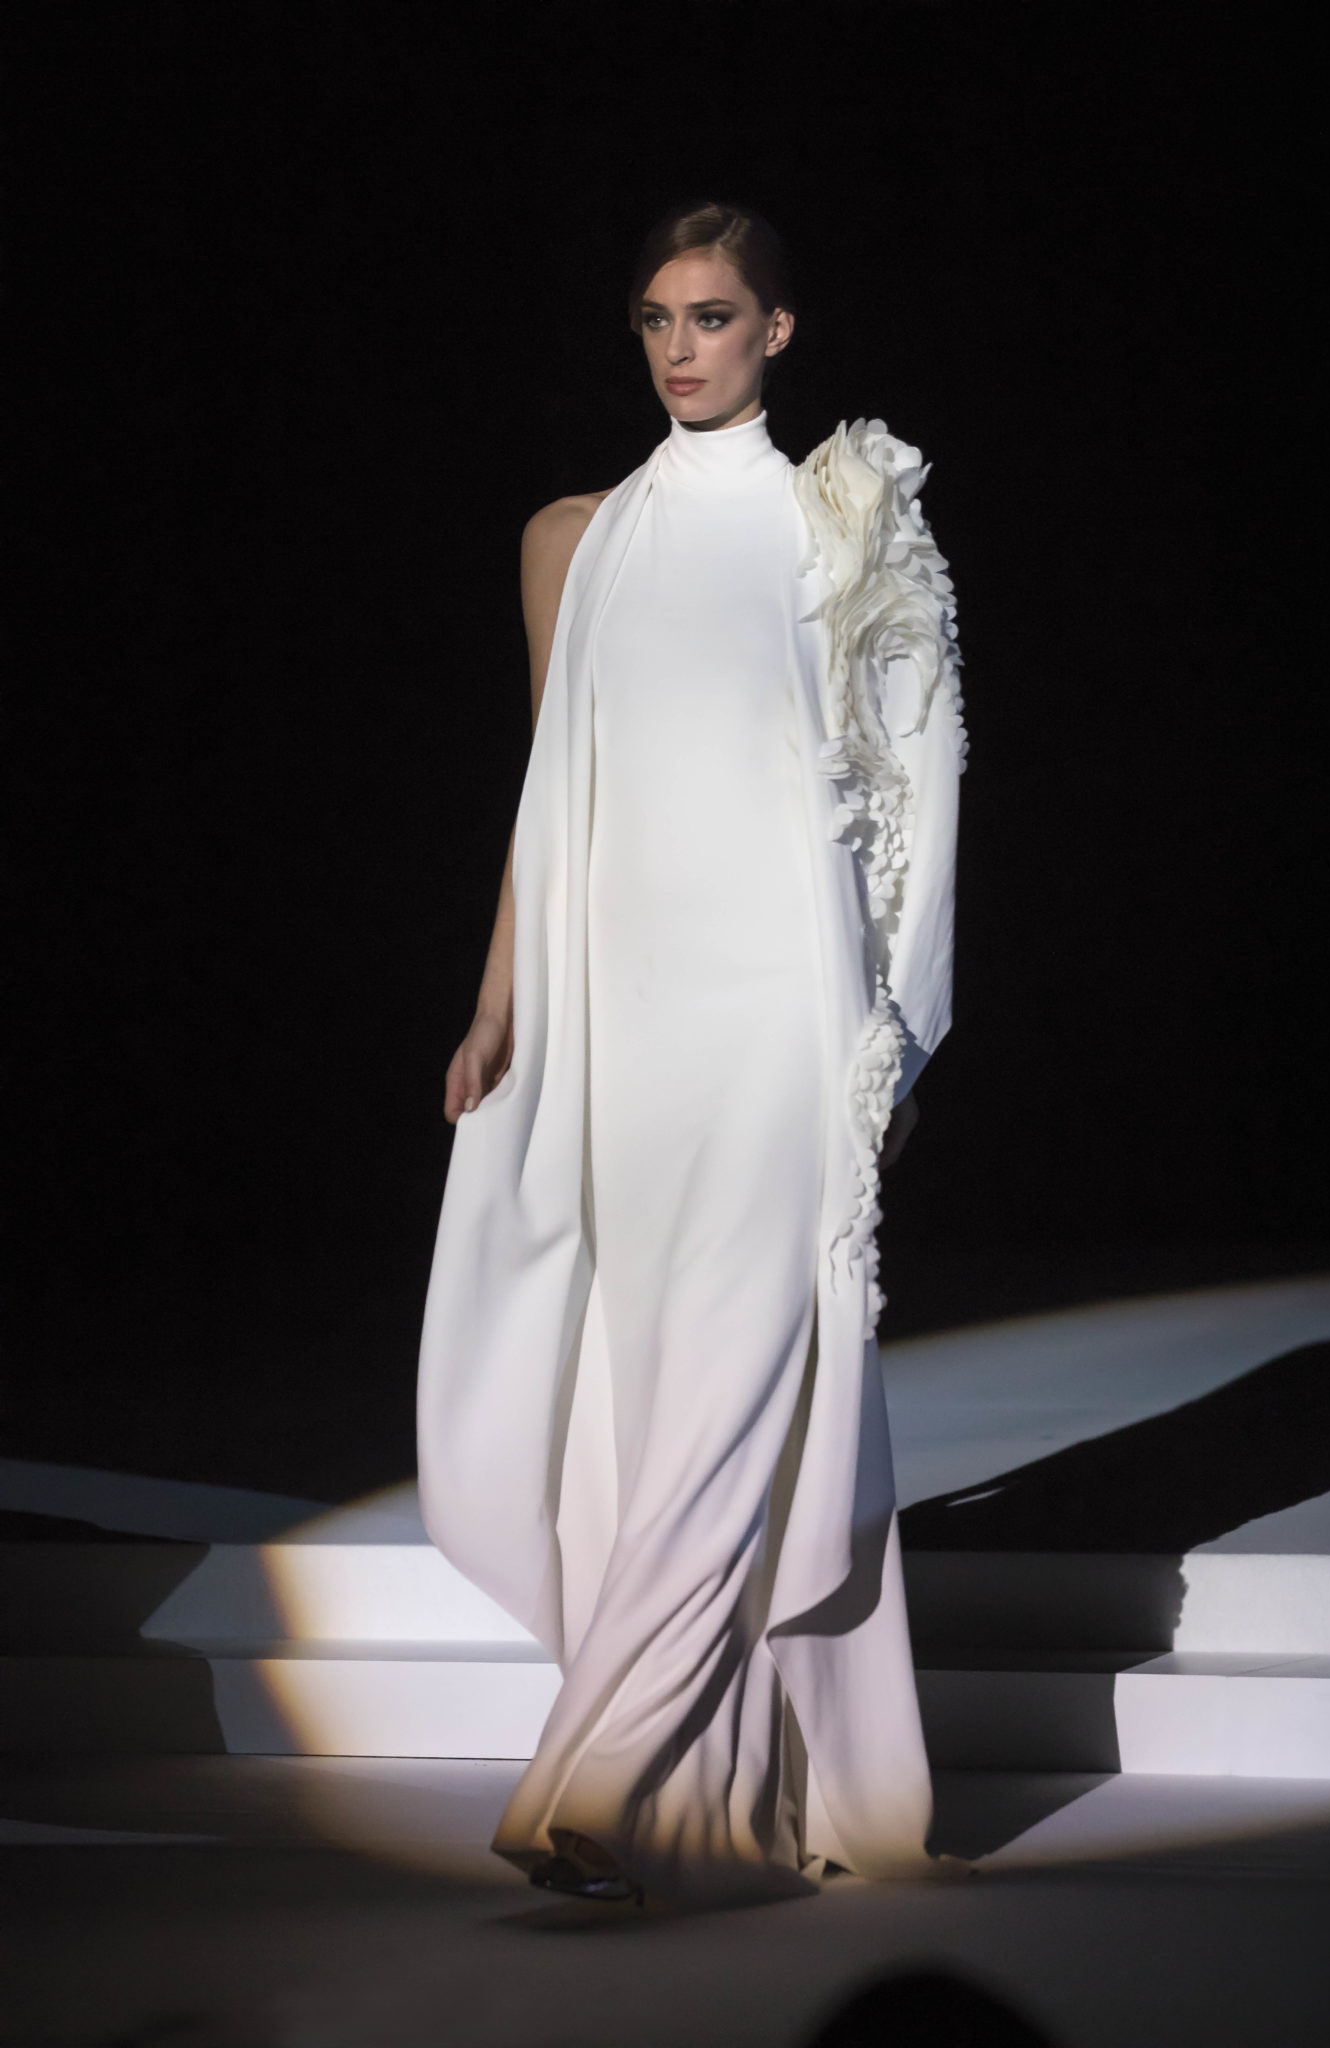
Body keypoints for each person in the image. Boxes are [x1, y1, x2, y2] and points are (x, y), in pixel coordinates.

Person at [417, 199, 967, 1906]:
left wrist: (884, 1040)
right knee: (663, 1393)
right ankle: (763, 1791)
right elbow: (547, 800)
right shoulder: (571, 539)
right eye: (656, 318)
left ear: (775, 332)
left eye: (712, 317)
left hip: (782, 1024)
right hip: (625, 1024)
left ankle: (603, 1781)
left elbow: (917, 790)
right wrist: (500, 1003)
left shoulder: (846, 519)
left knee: (737, 1375)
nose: (680, 348)